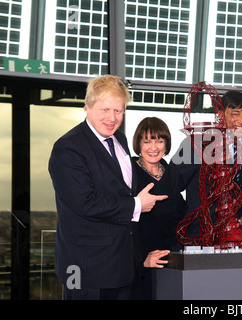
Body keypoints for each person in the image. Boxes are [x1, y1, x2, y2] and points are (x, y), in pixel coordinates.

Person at [48, 75, 167, 300]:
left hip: (123, 266)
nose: (112, 118)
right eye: (105, 109)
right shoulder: (68, 148)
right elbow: (85, 202)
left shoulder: (119, 139)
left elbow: (119, 190)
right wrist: (136, 205)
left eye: (118, 111)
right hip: (85, 269)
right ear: (88, 107)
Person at [170, 90, 242, 247]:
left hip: (239, 237)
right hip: (200, 237)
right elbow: (172, 185)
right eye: (236, 113)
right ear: (220, 114)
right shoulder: (197, 142)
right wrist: (189, 214)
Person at [131, 116, 185, 299]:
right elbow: (121, 223)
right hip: (136, 264)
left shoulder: (173, 174)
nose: (153, 148)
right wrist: (141, 259)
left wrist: (174, 254)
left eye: (159, 141)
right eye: (146, 141)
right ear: (138, 144)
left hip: (167, 263)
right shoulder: (127, 173)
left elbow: (177, 218)